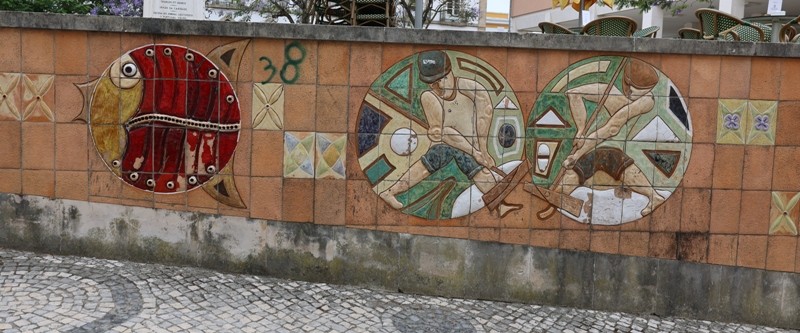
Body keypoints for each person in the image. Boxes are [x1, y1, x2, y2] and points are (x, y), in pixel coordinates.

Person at [379, 50, 520, 216]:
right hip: (447, 145)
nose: (438, 87)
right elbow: (445, 134)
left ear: (451, 72)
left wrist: (483, 150)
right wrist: (475, 152)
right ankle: (390, 191)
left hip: (471, 146)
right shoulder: (428, 98)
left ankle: (499, 204)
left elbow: (485, 113)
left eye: (442, 79)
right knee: (453, 154)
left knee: (472, 162)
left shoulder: (471, 88)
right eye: (432, 83)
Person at [555, 58, 664, 216]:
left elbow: (612, 128)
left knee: (611, 157)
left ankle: (654, 196)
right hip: (600, 145)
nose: (640, 95)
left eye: (646, 90)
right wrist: (581, 130)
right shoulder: (607, 89)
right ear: (626, 82)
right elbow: (573, 93)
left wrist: (576, 154)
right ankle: (557, 195)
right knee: (585, 164)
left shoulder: (646, 101)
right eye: (635, 90)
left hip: (622, 147)